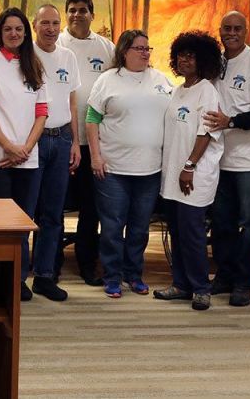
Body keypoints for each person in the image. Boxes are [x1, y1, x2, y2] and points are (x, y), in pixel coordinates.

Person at [87, 29, 173, 300]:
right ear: (125, 51)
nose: (146, 52)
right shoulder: (108, 80)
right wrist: (95, 156)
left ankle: (133, 275)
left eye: (148, 48)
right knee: (112, 227)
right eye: (140, 48)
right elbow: (92, 119)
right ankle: (112, 277)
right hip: (113, 169)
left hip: (149, 169)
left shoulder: (160, 80)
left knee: (139, 228)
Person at [0, 7, 48, 302]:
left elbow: (42, 112)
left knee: (23, 222)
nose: (13, 33)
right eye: (7, 29)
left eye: (18, 29)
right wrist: (9, 146)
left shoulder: (35, 65)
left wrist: (25, 148)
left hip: (29, 158)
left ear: (26, 33)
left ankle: (19, 280)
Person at [203, 11, 250, 307]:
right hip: (218, 158)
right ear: (219, 31)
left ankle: (243, 283)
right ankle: (223, 276)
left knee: (248, 223)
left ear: (246, 31)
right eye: (226, 28)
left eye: (237, 28)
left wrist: (231, 121)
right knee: (221, 222)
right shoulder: (215, 63)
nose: (231, 33)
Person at [153, 31, 224, 311]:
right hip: (172, 173)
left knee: (193, 233)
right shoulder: (179, 90)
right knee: (177, 232)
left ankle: (201, 288)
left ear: (203, 60)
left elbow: (205, 132)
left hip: (194, 173)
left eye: (191, 55)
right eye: (181, 55)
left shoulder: (207, 90)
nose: (184, 60)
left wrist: (190, 166)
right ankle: (181, 284)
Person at [56, 0, 114, 285]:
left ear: (93, 14)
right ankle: (51, 263)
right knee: (53, 204)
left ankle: (87, 263)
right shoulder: (56, 44)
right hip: (60, 137)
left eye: (83, 10)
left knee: (91, 208)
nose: (77, 15)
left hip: (94, 141)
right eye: (72, 10)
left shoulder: (106, 48)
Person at [28, 4, 80, 302]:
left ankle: (45, 276)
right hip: (32, 140)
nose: (50, 28)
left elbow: (72, 103)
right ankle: (20, 276)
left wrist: (74, 141)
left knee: (53, 212)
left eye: (55, 23)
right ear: (35, 25)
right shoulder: (25, 56)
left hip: (60, 139)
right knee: (25, 211)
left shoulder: (67, 57)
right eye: (44, 23)